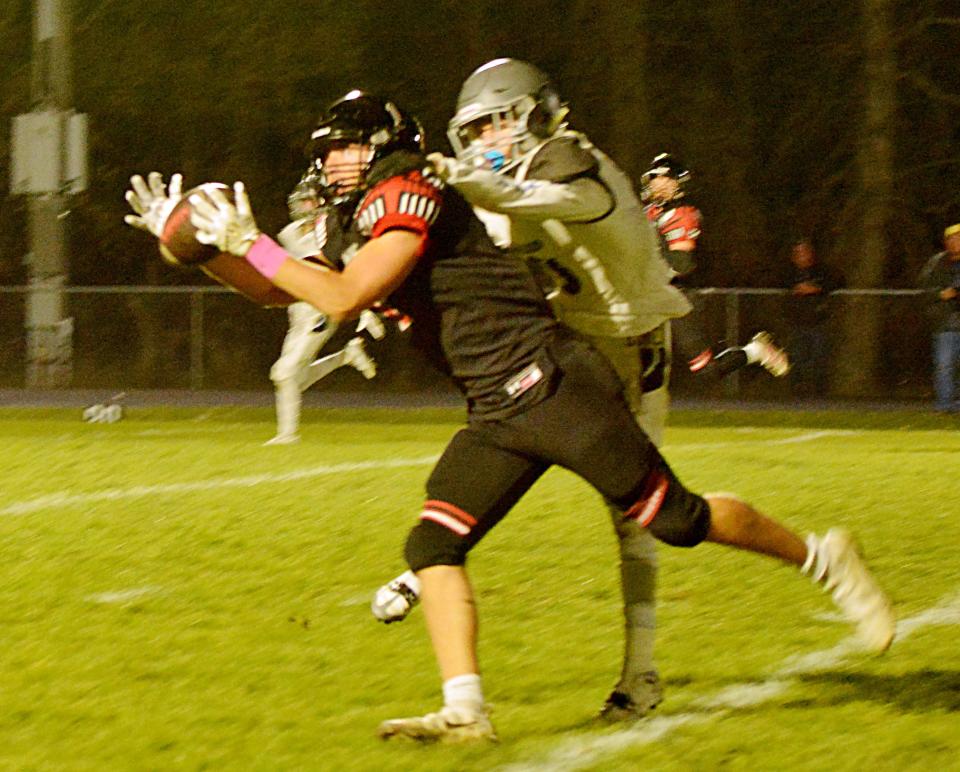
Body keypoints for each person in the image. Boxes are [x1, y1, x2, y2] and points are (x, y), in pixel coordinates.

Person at [125, 90, 895, 744]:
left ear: (389, 146)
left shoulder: (407, 189)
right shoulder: (353, 215)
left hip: (552, 382)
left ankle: (823, 558)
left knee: (676, 520)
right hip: (495, 404)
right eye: (328, 153)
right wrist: (201, 252)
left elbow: (344, 297)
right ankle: (466, 711)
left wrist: (251, 241)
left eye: (348, 149)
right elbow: (275, 291)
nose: (333, 164)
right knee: (432, 542)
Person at [371, 60, 788, 722]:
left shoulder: (573, 161)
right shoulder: (491, 189)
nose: (483, 141)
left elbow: (551, 200)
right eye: (471, 131)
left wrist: (459, 177)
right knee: (528, 444)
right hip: (565, 347)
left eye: (494, 124)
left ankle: (801, 570)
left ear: (535, 113)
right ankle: (438, 567)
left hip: (634, 342)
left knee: (655, 520)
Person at [641, 152, 788, 382]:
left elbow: (681, 264)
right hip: (650, 294)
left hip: (678, 296)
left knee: (706, 371)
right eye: (654, 180)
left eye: (663, 180)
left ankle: (755, 352)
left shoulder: (681, 215)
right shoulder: (650, 214)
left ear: (678, 184)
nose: (656, 186)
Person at [265, 176, 381, 445]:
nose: (303, 206)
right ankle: (345, 357)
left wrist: (366, 309)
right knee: (290, 378)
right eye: (301, 201)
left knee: (284, 373)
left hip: (321, 307)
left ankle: (288, 435)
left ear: (321, 202)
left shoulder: (332, 230)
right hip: (298, 309)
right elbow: (276, 264)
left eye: (309, 200)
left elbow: (353, 270)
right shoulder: (290, 233)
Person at [786, 238, 841, 397]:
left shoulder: (821, 271)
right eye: (798, 253)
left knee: (819, 356)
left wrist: (815, 289)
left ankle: (819, 391)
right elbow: (778, 284)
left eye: (805, 252)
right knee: (797, 357)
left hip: (817, 322)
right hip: (797, 322)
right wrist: (795, 289)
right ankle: (797, 390)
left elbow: (835, 282)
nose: (802, 256)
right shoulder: (790, 273)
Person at [918, 223, 960, 412]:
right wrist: (940, 294)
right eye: (952, 239)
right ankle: (944, 405)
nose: (955, 243)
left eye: (958, 239)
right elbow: (924, 288)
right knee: (944, 365)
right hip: (945, 323)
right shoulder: (936, 263)